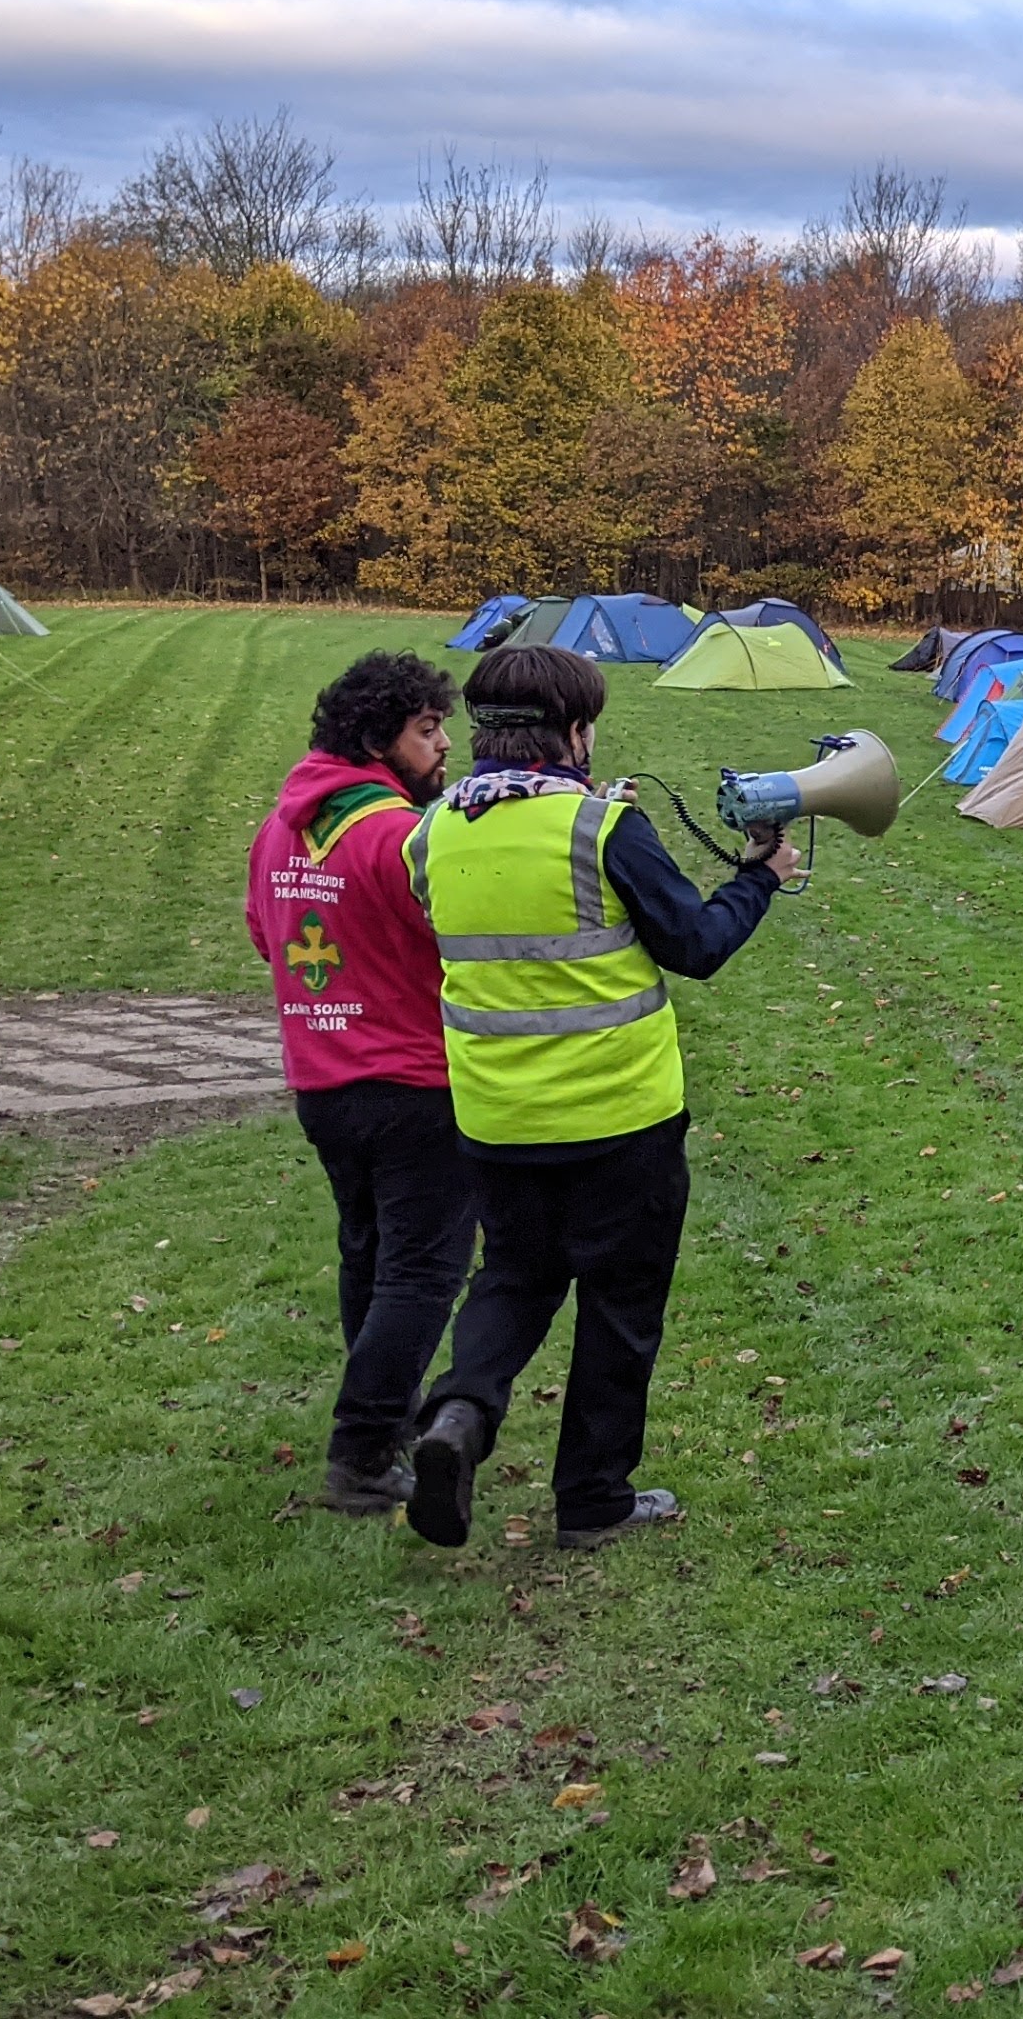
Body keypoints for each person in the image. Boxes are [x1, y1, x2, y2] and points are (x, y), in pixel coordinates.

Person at [399, 643, 789, 1552]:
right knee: (620, 1306)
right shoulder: (602, 829)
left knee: (513, 1277)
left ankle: (458, 1415)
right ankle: (593, 1499)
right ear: (574, 732)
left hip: (496, 1117)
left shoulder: (430, 834)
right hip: (621, 1118)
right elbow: (694, 943)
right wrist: (759, 876)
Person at [244, 650, 470, 1515]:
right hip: (413, 1081)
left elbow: (268, 938)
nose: (443, 744)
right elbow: (458, 940)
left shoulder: (280, 826)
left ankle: (389, 1417)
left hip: (321, 1082)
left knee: (369, 1254)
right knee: (422, 1272)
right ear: (380, 739)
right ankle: (365, 1451)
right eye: (426, 729)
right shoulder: (399, 836)